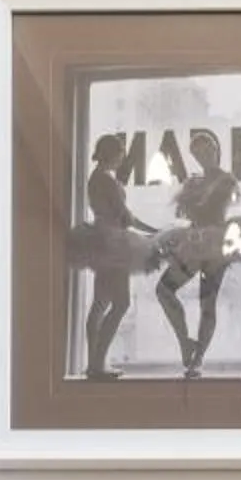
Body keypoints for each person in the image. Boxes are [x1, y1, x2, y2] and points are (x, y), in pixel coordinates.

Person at [154, 128, 241, 377]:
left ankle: (198, 359)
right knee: (164, 290)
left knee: (207, 302)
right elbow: (186, 211)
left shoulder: (226, 180)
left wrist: (193, 197)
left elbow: (213, 203)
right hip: (195, 241)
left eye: (206, 150)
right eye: (197, 153)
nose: (202, 156)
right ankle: (185, 342)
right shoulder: (196, 181)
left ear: (215, 150)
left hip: (214, 243)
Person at [75, 134, 155, 381]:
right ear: (113, 154)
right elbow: (125, 217)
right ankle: (98, 364)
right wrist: (154, 232)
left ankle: (93, 364)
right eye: (120, 153)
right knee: (121, 304)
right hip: (114, 245)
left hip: (100, 241)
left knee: (100, 304)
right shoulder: (107, 181)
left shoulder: (94, 178)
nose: (122, 158)